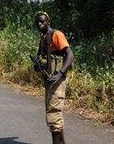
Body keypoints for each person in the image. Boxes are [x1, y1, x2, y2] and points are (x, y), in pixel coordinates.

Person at [33, 12, 74, 144]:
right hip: (50, 81)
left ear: (48, 22)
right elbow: (43, 60)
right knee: (53, 117)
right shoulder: (43, 38)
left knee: (54, 116)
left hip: (57, 81)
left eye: (42, 21)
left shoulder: (56, 34)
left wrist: (60, 74)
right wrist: (38, 66)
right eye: (38, 22)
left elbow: (70, 55)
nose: (40, 24)